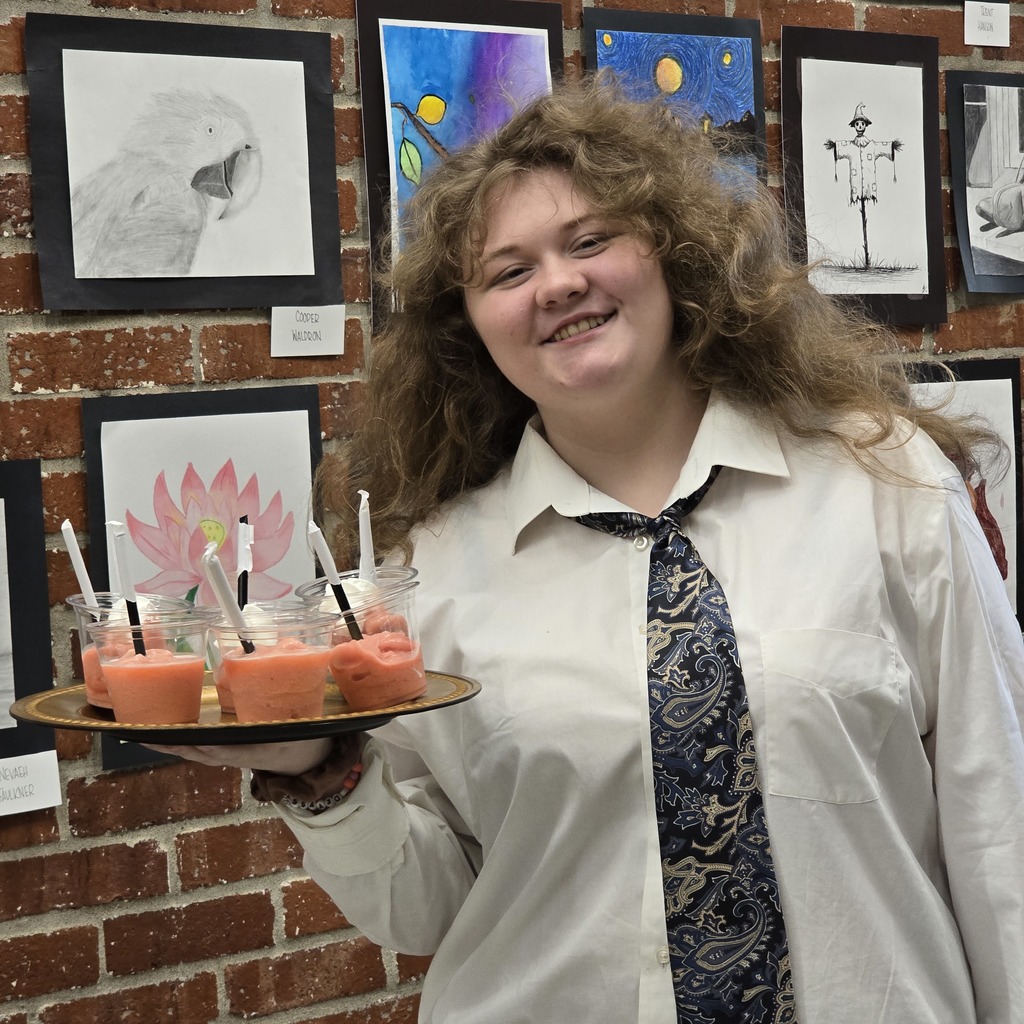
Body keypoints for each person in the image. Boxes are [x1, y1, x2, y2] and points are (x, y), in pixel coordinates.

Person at [151, 80, 1024, 1024]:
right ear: (468, 326)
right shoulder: (428, 574)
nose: (558, 284)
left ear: (675, 255)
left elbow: (999, 823)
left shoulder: (885, 485)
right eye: (507, 272)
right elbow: (428, 908)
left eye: (590, 240)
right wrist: (316, 769)